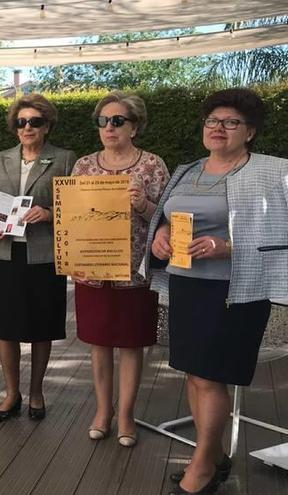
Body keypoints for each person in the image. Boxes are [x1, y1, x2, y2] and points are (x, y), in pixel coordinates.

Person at [147, 88, 288, 495]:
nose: (219, 129)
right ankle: (215, 456)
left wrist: (233, 245)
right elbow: (168, 216)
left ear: (251, 131)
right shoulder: (188, 169)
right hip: (186, 285)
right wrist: (161, 234)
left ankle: (202, 467)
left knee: (211, 378)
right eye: (212, 121)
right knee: (194, 375)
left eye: (231, 122)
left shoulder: (273, 171)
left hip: (235, 290)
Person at [71, 92, 169, 446]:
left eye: (117, 121)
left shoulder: (152, 166)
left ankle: (126, 414)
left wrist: (143, 204)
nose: (109, 128)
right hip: (92, 268)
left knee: (131, 344)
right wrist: (71, 257)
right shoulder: (83, 166)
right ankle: (103, 411)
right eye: (103, 121)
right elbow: (73, 217)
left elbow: (165, 218)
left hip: (135, 270)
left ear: (135, 126)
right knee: (98, 342)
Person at [0, 94, 76, 423]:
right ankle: (12, 393)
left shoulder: (64, 159)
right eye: (21, 122)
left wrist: (50, 213)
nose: (27, 127)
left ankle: (36, 391)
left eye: (35, 122)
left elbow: (78, 208)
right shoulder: (1, 159)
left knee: (42, 326)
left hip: (44, 254)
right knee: (5, 327)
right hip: (7, 252)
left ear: (47, 125)